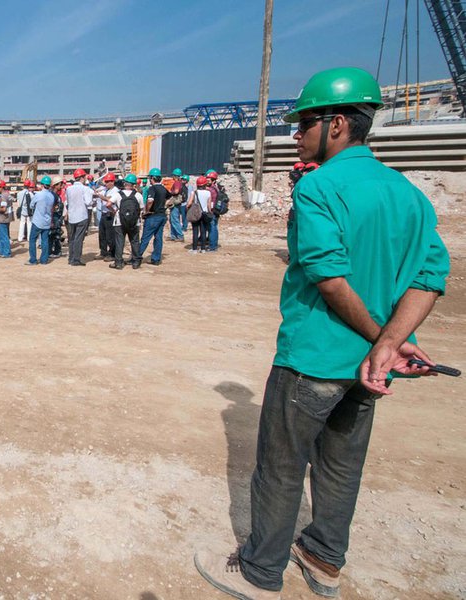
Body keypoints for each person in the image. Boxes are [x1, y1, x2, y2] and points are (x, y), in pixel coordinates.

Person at [194, 67, 451, 600]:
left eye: (303, 123)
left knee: (281, 467)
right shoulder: (407, 194)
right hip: (368, 367)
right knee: (341, 466)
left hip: (314, 355)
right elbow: (429, 277)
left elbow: (328, 278)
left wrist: (383, 341)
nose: (296, 133)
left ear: (337, 124)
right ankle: (324, 559)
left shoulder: (318, 188)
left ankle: (261, 571)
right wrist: (386, 343)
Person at [109, 174, 142, 270]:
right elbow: (141, 208)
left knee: (120, 241)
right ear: (134, 185)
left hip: (119, 221)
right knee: (134, 241)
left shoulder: (118, 194)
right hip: (134, 222)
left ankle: (118, 262)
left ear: (124, 183)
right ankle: (136, 262)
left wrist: (114, 210)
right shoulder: (138, 195)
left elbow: (108, 204)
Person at [136, 168, 169, 266]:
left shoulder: (152, 188)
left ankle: (137, 258)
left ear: (152, 178)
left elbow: (150, 201)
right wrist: (163, 206)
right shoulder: (163, 188)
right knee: (158, 238)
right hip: (162, 216)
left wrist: (146, 211)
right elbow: (170, 198)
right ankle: (156, 259)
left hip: (153, 216)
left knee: (145, 238)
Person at [65, 168, 95, 266]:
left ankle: (71, 258)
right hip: (82, 216)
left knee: (72, 238)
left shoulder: (69, 189)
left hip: (72, 216)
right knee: (79, 239)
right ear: (82, 177)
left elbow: (68, 203)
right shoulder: (85, 189)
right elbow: (88, 202)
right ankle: (76, 259)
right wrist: (93, 202)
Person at [26, 176, 55, 265]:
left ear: (42, 185)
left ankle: (33, 260)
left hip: (38, 221)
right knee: (44, 241)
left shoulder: (38, 194)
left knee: (32, 240)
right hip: (47, 221)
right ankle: (44, 260)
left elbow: (31, 205)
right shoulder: (51, 196)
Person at [187, 176, 212, 253]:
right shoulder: (208, 193)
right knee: (203, 231)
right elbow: (209, 205)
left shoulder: (194, 192)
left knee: (195, 231)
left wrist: (187, 208)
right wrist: (210, 212)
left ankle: (194, 249)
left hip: (196, 214)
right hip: (204, 214)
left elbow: (189, 203)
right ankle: (203, 249)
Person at [49, 178, 65, 258]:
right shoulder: (53, 195)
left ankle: (55, 251)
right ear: (55, 185)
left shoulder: (56, 195)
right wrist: (51, 221)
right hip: (54, 218)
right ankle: (54, 251)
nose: (61, 186)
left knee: (57, 234)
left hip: (57, 217)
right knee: (54, 235)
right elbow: (52, 209)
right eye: (60, 184)